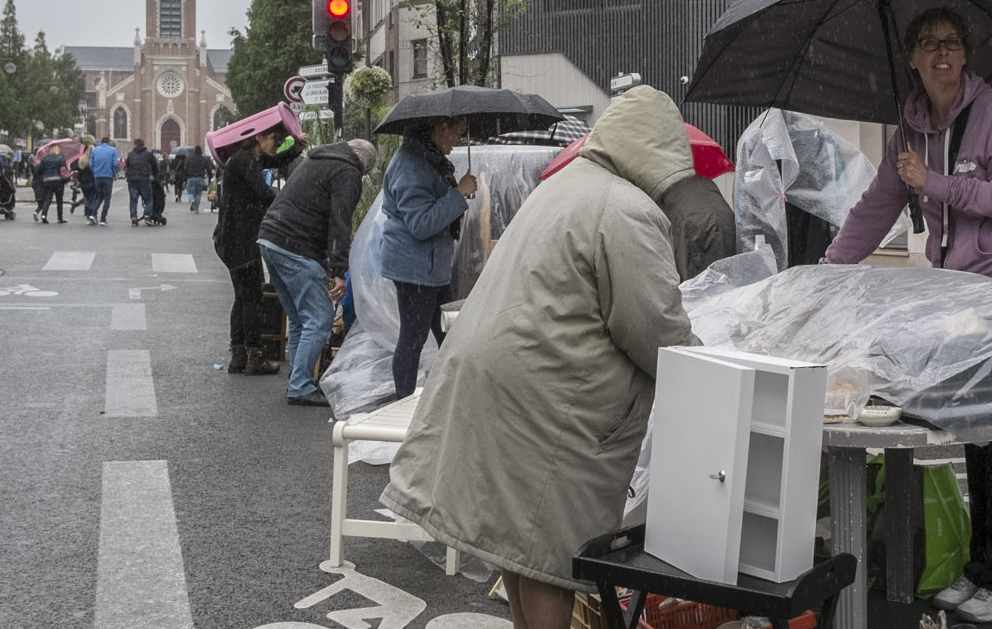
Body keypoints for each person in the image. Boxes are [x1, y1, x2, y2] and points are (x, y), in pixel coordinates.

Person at [381, 86, 701, 629]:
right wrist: (708, 371)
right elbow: (653, 330)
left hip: (505, 382)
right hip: (551, 403)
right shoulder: (627, 209)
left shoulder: (563, 186)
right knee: (552, 558)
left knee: (525, 552)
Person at [823, 8, 992, 623]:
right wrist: (826, 269)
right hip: (964, 300)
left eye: (951, 44)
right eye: (929, 44)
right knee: (975, 431)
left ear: (966, 52)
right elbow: (876, 207)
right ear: (912, 57)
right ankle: (983, 567)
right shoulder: (910, 128)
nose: (942, 55)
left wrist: (938, 182)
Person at [257, 139, 375, 406]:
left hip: (270, 237)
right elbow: (339, 222)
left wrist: (326, 262)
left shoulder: (316, 160)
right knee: (319, 319)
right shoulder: (348, 172)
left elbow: (311, 210)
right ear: (364, 168)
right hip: (295, 245)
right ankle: (300, 386)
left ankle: (297, 381)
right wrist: (338, 272)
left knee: (300, 320)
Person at [379, 116, 477, 402]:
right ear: (441, 128)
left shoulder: (428, 159)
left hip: (431, 267)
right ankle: (403, 403)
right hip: (415, 268)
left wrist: (455, 194)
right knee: (413, 339)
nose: (458, 142)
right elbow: (421, 224)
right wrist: (458, 194)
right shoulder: (412, 165)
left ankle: (447, 399)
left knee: (447, 333)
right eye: (457, 133)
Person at [215, 130, 295, 375]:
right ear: (260, 137)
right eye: (275, 140)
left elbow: (272, 161)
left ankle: (238, 356)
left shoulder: (244, 159)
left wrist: (296, 150)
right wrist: (289, 206)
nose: (277, 145)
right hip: (239, 239)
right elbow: (263, 193)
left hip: (232, 239)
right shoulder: (244, 161)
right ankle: (255, 357)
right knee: (251, 298)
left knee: (242, 297)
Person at [659, 174, 737, 280]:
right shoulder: (703, 180)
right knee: (728, 276)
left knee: (696, 281)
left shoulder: (663, 190)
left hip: (691, 230)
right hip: (724, 224)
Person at [123, 139, 157, 225]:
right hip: (144, 179)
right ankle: (147, 215)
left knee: (133, 200)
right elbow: (154, 166)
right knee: (149, 199)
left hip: (133, 180)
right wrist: (155, 175)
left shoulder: (130, 154)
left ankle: (134, 217)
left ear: (135, 145)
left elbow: (127, 166)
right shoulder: (148, 154)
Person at [86, 137, 119, 225]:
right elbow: (115, 164)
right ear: (108, 142)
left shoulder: (95, 150)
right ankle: (103, 219)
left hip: (97, 176)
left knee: (99, 196)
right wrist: (114, 173)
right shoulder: (112, 150)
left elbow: (91, 163)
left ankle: (93, 213)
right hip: (108, 176)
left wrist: (95, 172)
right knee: (107, 198)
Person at [35, 144, 69, 223]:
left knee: (48, 199)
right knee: (59, 200)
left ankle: (44, 215)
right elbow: (64, 170)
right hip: (58, 181)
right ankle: (59, 218)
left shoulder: (45, 158)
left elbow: (39, 170)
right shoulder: (61, 158)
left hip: (47, 181)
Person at [182, 145, 214, 212]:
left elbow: (185, 169)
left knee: (191, 192)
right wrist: (210, 178)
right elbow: (208, 169)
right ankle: (196, 209)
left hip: (191, 177)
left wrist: (186, 176)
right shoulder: (203, 159)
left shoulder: (190, 158)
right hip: (200, 177)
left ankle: (192, 200)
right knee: (198, 194)